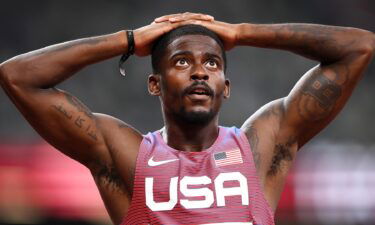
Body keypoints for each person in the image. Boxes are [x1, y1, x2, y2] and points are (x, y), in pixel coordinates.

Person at [0, 12, 374, 225]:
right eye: (182, 62)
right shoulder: (128, 156)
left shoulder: (262, 145)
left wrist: (241, 33)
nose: (199, 72)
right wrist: (130, 40)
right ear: (154, 84)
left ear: (225, 86)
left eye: (212, 63)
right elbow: (17, 76)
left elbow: (359, 47)